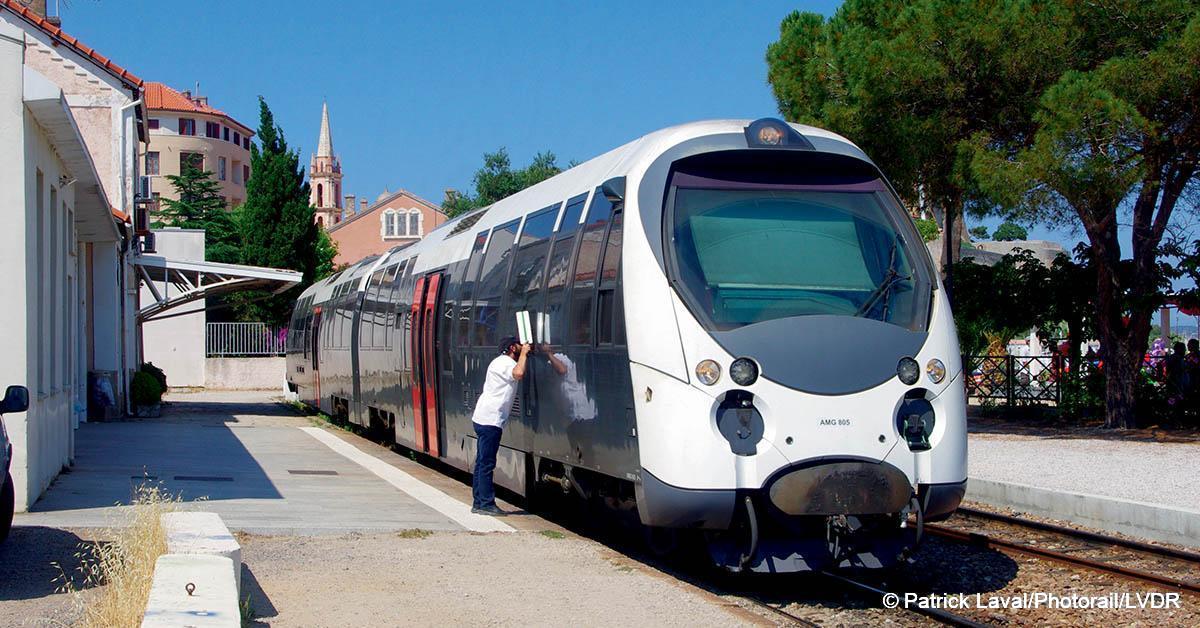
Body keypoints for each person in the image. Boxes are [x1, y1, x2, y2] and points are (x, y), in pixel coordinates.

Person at [470, 336, 530, 516]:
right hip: (490, 420)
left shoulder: (498, 362)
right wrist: (525, 354)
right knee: (487, 463)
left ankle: (478, 502)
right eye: (520, 345)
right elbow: (519, 373)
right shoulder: (504, 363)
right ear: (513, 347)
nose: (522, 347)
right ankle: (486, 503)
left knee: (481, 462)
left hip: (484, 417)